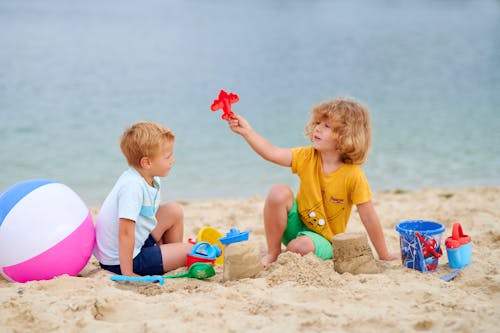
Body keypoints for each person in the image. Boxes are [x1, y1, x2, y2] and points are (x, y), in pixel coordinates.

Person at [226, 97, 399, 267]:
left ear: (345, 136)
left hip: (324, 240)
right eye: (318, 123)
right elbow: (271, 152)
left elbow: (368, 217)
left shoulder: (353, 175)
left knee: (300, 247)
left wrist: (384, 255)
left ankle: (289, 251)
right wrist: (247, 132)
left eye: (327, 126)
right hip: (295, 226)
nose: (318, 129)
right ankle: (273, 252)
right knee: (278, 192)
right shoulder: (307, 156)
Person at [94, 121, 192, 276]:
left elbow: (146, 217)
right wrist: (128, 273)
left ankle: (170, 255)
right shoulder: (132, 186)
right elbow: (125, 233)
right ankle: (172, 257)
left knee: (174, 210)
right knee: (191, 251)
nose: (172, 160)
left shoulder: (150, 177)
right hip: (121, 260)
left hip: (137, 242)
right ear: (147, 162)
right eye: (167, 157)